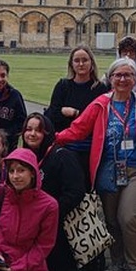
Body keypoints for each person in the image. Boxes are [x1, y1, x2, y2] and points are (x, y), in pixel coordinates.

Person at [54, 57, 136, 271]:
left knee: (129, 217)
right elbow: (78, 129)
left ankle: (135, 266)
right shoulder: (101, 104)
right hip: (108, 170)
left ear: (135, 79)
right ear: (110, 79)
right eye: (117, 75)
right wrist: (51, 141)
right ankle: (117, 262)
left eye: (127, 75)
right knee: (110, 220)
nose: (122, 79)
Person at [21, 112, 85, 271]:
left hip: (60, 218)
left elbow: (75, 192)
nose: (32, 134)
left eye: (38, 130)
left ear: (47, 134)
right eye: (28, 129)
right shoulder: (25, 157)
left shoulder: (62, 156)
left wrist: (49, 212)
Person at [44, 46, 109, 189]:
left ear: (91, 63)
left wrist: (74, 113)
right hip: (66, 147)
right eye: (77, 60)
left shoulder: (100, 89)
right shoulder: (63, 86)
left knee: (86, 187)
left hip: (90, 148)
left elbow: (100, 119)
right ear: (71, 64)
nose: (81, 64)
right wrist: (65, 113)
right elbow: (52, 115)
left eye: (84, 60)